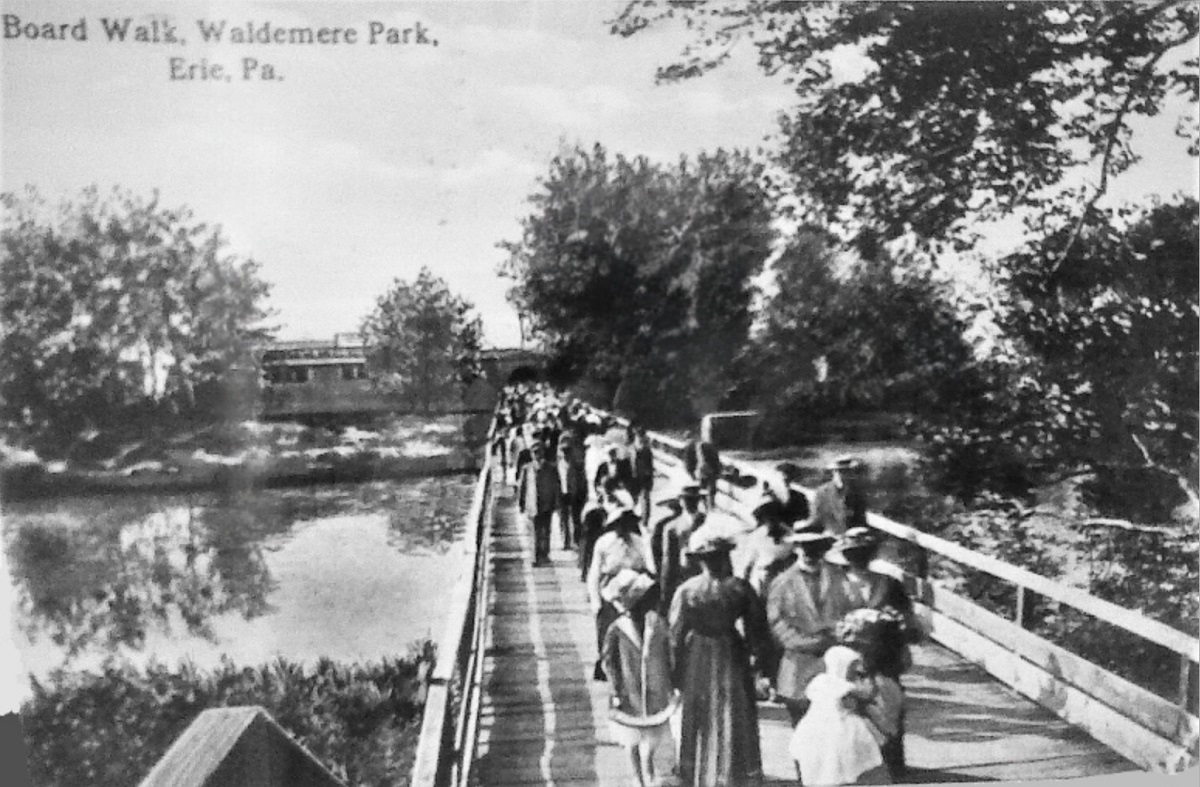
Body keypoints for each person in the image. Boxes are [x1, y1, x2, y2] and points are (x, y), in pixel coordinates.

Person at [669, 530, 769, 787]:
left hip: (700, 653)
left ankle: (704, 772)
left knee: (708, 709)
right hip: (727, 650)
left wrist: (675, 671)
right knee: (730, 709)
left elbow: (675, 634)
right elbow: (757, 630)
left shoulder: (688, 590)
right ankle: (731, 773)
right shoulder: (740, 588)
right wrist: (757, 660)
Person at [829, 527, 921, 779]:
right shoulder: (835, 583)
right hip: (847, 659)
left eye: (863, 553)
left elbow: (907, 617)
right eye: (853, 554)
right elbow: (828, 617)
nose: (858, 559)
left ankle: (891, 764)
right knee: (849, 710)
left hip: (884, 658)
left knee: (888, 707)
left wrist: (894, 625)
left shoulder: (889, 584)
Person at [601, 569, 678, 787]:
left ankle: (649, 771)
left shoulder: (657, 623)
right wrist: (616, 687)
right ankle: (638, 776)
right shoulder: (617, 629)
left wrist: (671, 678)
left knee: (653, 733)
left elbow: (668, 650)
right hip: (628, 687)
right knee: (631, 736)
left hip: (655, 684)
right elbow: (609, 661)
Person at [768, 530, 850, 726]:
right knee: (802, 729)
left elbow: (849, 611)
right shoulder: (783, 582)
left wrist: (837, 636)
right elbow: (776, 622)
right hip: (798, 664)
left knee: (834, 727)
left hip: (832, 663)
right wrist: (808, 643)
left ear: (824, 549)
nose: (810, 552)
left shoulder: (839, 577)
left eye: (816, 547)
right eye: (805, 547)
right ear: (797, 548)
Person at [789, 645, 892, 786]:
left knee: (829, 765)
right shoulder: (839, 685)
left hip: (818, 727)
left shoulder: (821, 681)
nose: (853, 672)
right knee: (838, 760)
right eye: (851, 668)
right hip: (838, 729)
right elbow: (862, 694)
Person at [588, 506, 653, 681]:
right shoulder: (604, 543)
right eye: (619, 525)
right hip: (610, 594)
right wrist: (596, 601)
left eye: (626, 524)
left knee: (634, 635)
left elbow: (649, 567)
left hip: (634, 594)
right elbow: (594, 574)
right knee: (608, 634)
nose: (622, 528)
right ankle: (609, 670)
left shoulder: (639, 542)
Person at [656, 486, 706, 615]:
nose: (689, 503)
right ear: (680, 501)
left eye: (692, 499)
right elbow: (668, 561)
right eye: (686, 499)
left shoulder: (706, 521)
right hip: (683, 574)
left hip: (705, 571)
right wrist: (665, 592)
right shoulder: (672, 527)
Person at [518, 441, 561, 566]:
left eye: (539, 452)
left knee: (546, 531)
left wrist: (557, 503)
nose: (537, 455)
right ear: (531, 454)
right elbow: (522, 487)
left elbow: (556, 486)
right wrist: (521, 503)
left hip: (547, 504)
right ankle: (534, 556)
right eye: (534, 452)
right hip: (532, 504)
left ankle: (545, 554)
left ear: (543, 453)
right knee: (533, 532)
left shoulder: (551, 468)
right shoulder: (527, 468)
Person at [803, 456, 868, 536]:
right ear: (834, 472)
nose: (843, 475)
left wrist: (857, 531)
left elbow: (861, 521)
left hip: (852, 539)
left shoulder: (856, 492)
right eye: (840, 471)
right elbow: (816, 521)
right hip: (829, 538)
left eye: (847, 472)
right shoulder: (822, 493)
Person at [556, 432, 587, 550]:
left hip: (575, 494)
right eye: (563, 451)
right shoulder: (557, 465)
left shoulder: (578, 465)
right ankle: (566, 541)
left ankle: (576, 540)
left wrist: (583, 495)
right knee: (563, 519)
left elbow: (582, 481)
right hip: (562, 494)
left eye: (567, 451)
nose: (565, 453)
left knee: (576, 518)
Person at [683, 429, 721, 511]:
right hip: (711, 468)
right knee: (711, 486)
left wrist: (691, 473)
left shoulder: (689, 446)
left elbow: (688, 461)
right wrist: (718, 470)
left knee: (703, 486)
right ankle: (711, 504)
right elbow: (715, 457)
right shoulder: (706, 445)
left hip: (701, 469)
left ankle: (705, 504)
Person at [629, 425, 656, 527]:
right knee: (635, 499)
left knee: (645, 499)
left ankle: (645, 521)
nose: (639, 437)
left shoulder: (646, 449)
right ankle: (636, 519)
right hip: (635, 477)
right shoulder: (633, 448)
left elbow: (650, 465)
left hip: (644, 477)